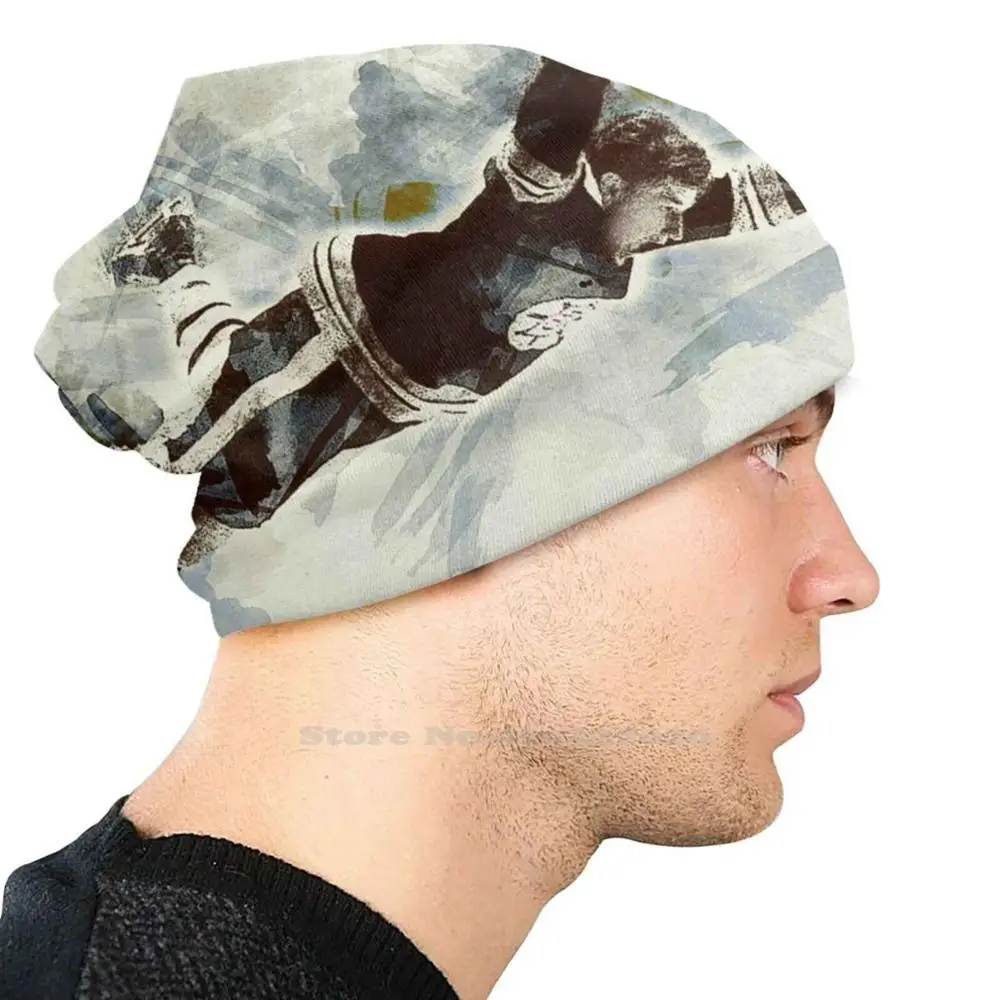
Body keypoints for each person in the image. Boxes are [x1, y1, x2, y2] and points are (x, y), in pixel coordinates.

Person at [2, 43, 878, 1000]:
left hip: (413, 396)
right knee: (235, 403)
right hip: (347, 334)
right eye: (769, 449)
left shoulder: (632, 228)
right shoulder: (546, 193)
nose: (849, 576)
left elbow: (722, 207)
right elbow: (555, 121)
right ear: (522, 499)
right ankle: (177, 271)